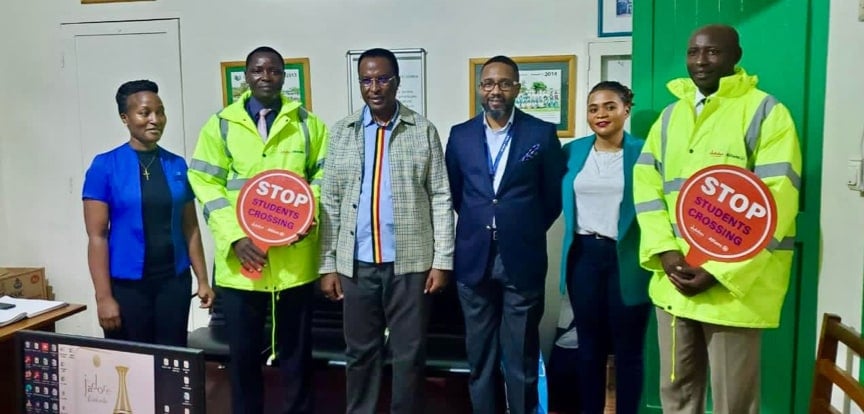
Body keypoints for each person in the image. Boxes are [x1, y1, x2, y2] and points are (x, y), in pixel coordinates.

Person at [633, 24, 801, 414]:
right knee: (675, 394)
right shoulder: (670, 117)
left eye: (712, 52)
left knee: (734, 402)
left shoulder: (766, 112)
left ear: (735, 57)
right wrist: (665, 253)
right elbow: (647, 190)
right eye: (693, 52)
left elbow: (777, 201)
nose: (700, 61)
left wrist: (718, 269)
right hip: (674, 280)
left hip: (733, 288)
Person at [187, 46, 328, 414]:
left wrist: (304, 215)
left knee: (297, 359)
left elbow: (324, 176)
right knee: (244, 358)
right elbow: (204, 182)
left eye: (275, 71)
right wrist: (235, 236)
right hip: (241, 267)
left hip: (293, 265)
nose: (266, 77)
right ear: (245, 77)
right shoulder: (221, 124)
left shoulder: (307, 123)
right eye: (258, 71)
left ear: (285, 77)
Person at [319, 47, 454, 414]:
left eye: (382, 79)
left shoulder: (422, 130)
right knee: (360, 352)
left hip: (410, 264)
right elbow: (329, 201)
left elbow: (441, 196)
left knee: (409, 352)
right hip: (357, 264)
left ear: (396, 82)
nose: (374, 87)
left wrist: (442, 261)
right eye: (366, 79)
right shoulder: (342, 132)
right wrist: (327, 265)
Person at [445, 55, 565, 414]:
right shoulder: (460, 135)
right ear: (480, 88)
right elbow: (455, 191)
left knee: (521, 356)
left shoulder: (540, 134)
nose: (495, 90)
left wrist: (521, 228)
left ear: (517, 87)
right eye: (488, 83)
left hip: (521, 257)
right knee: (479, 356)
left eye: (504, 83)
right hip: (473, 257)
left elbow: (552, 198)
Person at [82, 79, 214, 347]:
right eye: (145, 113)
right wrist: (104, 297)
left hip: (173, 283)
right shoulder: (105, 166)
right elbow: (97, 237)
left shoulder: (176, 165)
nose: (155, 120)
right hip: (127, 286)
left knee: (172, 360)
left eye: (160, 112)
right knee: (132, 364)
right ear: (125, 117)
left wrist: (203, 280)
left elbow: (190, 227)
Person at [559, 81, 650, 414]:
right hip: (584, 257)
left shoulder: (644, 152)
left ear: (626, 109)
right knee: (588, 348)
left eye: (610, 106)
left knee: (628, 349)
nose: (601, 114)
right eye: (594, 108)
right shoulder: (573, 151)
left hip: (627, 258)